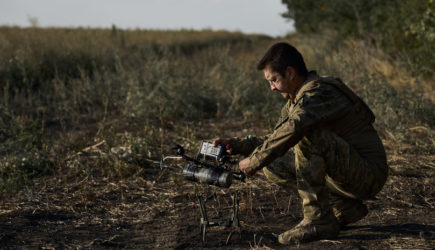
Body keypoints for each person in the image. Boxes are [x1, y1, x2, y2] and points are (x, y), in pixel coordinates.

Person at [213, 42, 388, 245]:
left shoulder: (319, 92)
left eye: (273, 80)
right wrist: (238, 146)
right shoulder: (296, 99)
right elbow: (277, 138)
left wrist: (255, 160)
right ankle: (343, 207)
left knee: (304, 134)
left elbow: (296, 128)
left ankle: (318, 220)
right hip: (346, 173)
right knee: (273, 163)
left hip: (368, 175)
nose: (271, 88)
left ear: (289, 73)